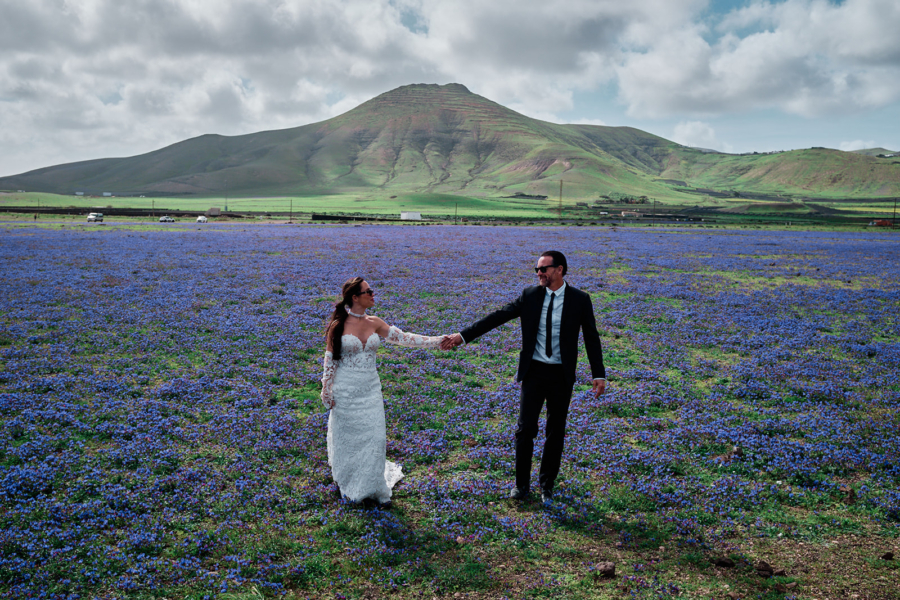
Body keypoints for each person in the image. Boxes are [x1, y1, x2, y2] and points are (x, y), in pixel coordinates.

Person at [442, 250, 606, 503]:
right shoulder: (530, 296)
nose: (539, 274)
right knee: (525, 429)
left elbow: (591, 337)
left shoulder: (580, 299)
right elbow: (498, 316)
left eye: (544, 269)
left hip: (561, 374)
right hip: (534, 371)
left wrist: (598, 374)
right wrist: (462, 336)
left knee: (556, 429)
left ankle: (547, 484)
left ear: (559, 269)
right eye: (537, 270)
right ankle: (521, 485)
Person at [321, 277, 450, 508]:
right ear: (355, 297)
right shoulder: (338, 325)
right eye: (368, 291)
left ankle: (374, 487)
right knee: (349, 439)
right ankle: (352, 485)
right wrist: (326, 389)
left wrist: (437, 341)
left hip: (370, 390)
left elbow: (405, 338)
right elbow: (329, 360)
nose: (373, 294)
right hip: (346, 391)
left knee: (375, 439)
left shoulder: (375, 322)